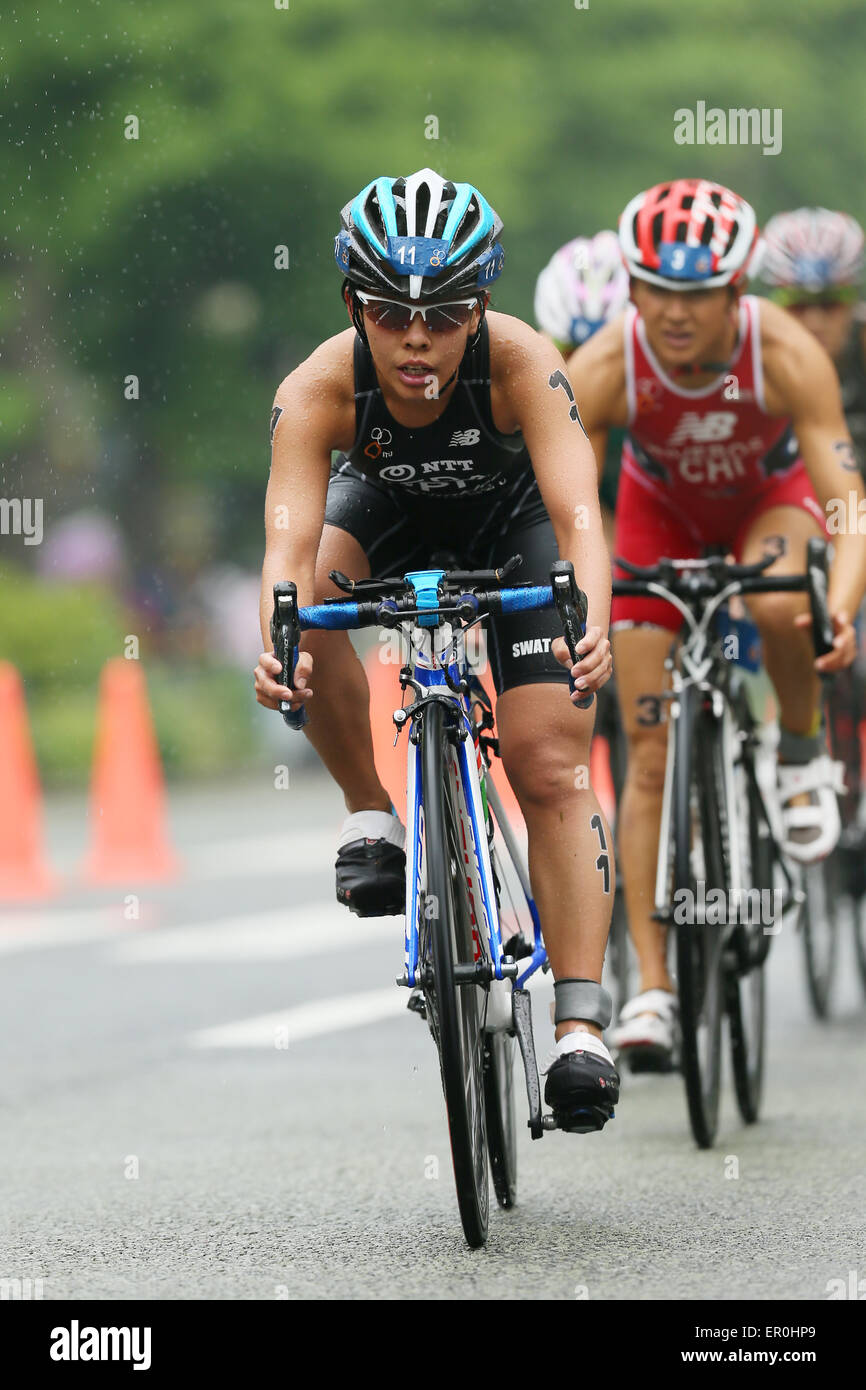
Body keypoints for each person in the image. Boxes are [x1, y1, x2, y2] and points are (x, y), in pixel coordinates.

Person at [255, 169, 618, 1129]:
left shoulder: (525, 365)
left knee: (548, 766)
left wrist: (596, 615)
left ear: (482, 309)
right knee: (314, 605)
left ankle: (581, 1024)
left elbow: (581, 515)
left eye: (447, 314)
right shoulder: (318, 388)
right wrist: (277, 643)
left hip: (515, 523)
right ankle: (372, 814)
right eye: (390, 314)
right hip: (387, 519)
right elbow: (286, 549)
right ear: (352, 308)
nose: (418, 339)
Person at [568, 178, 866, 1071]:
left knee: (781, 598)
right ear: (632, 288)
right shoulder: (603, 368)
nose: (678, 312)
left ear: (737, 293)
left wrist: (840, 605)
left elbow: (846, 502)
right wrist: (584, 611)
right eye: (659, 290)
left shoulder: (784, 353)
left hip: (769, 503)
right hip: (656, 516)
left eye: (700, 294)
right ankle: (654, 987)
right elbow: (573, 513)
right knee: (649, 752)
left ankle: (802, 753)